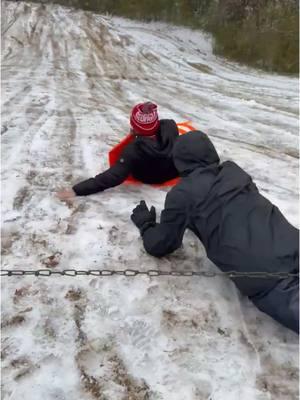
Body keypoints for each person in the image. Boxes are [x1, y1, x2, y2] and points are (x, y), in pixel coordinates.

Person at [131, 131, 299, 333]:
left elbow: (160, 244)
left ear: (179, 162)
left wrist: (146, 224)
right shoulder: (234, 172)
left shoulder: (182, 195)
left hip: (271, 280)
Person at [57, 102, 179, 200]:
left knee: (126, 164)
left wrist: (76, 190)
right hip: (173, 172)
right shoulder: (171, 127)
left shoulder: (133, 151)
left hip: (150, 178)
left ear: (134, 126)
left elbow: (112, 177)